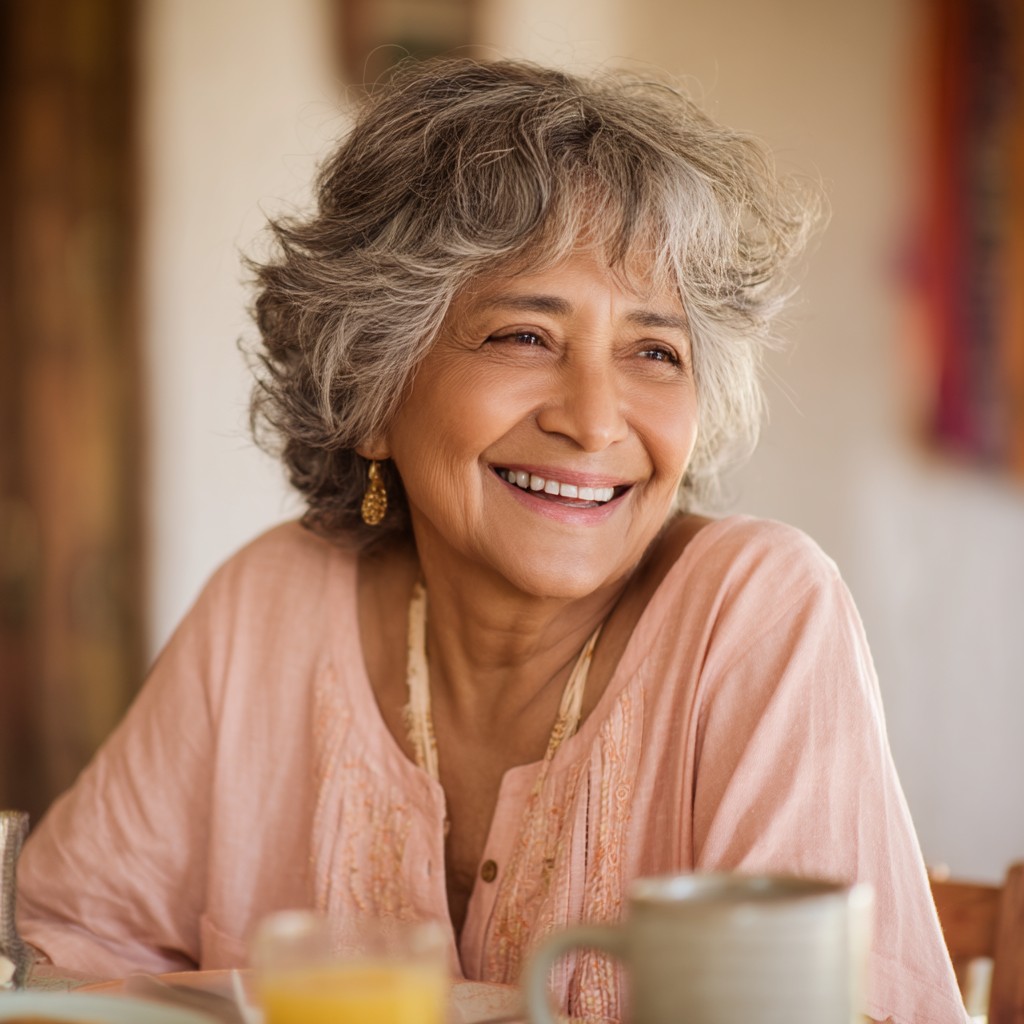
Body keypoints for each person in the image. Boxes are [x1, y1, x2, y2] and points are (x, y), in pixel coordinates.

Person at [17, 59, 968, 1023]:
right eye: (523, 336)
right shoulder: (269, 607)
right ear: (372, 388)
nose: (596, 422)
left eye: (655, 351)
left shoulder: (755, 614)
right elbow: (53, 953)